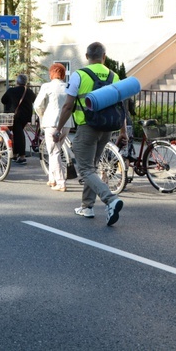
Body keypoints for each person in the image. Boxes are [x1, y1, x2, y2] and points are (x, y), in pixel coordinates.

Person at [54, 42, 126, 225]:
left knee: (85, 169)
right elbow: (121, 106)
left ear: (86, 56)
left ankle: (110, 199)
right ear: (104, 56)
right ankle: (87, 206)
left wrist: (58, 128)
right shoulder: (114, 75)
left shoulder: (79, 75)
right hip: (106, 129)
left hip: (87, 128)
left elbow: (68, 105)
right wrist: (123, 131)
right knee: (91, 167)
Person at [34, 63, 74, 191]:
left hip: (51, 122)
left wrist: (42, 115)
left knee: (54, 151)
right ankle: (52, 178)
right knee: (56, 149)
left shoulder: (47, 86)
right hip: (67, 123)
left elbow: (37, 105)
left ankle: (61, 182)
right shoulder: (68, 86)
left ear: (51, 73)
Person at [1, 74, 37, 164]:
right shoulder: (29, 91)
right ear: (25, 82)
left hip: (14, 116)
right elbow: (35, 100)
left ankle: (22, 156)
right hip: (26, 116)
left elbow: (3, 100)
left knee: (18, 135)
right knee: (18, 134)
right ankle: (16, 154)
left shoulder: (11, 91)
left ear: (17, 82)